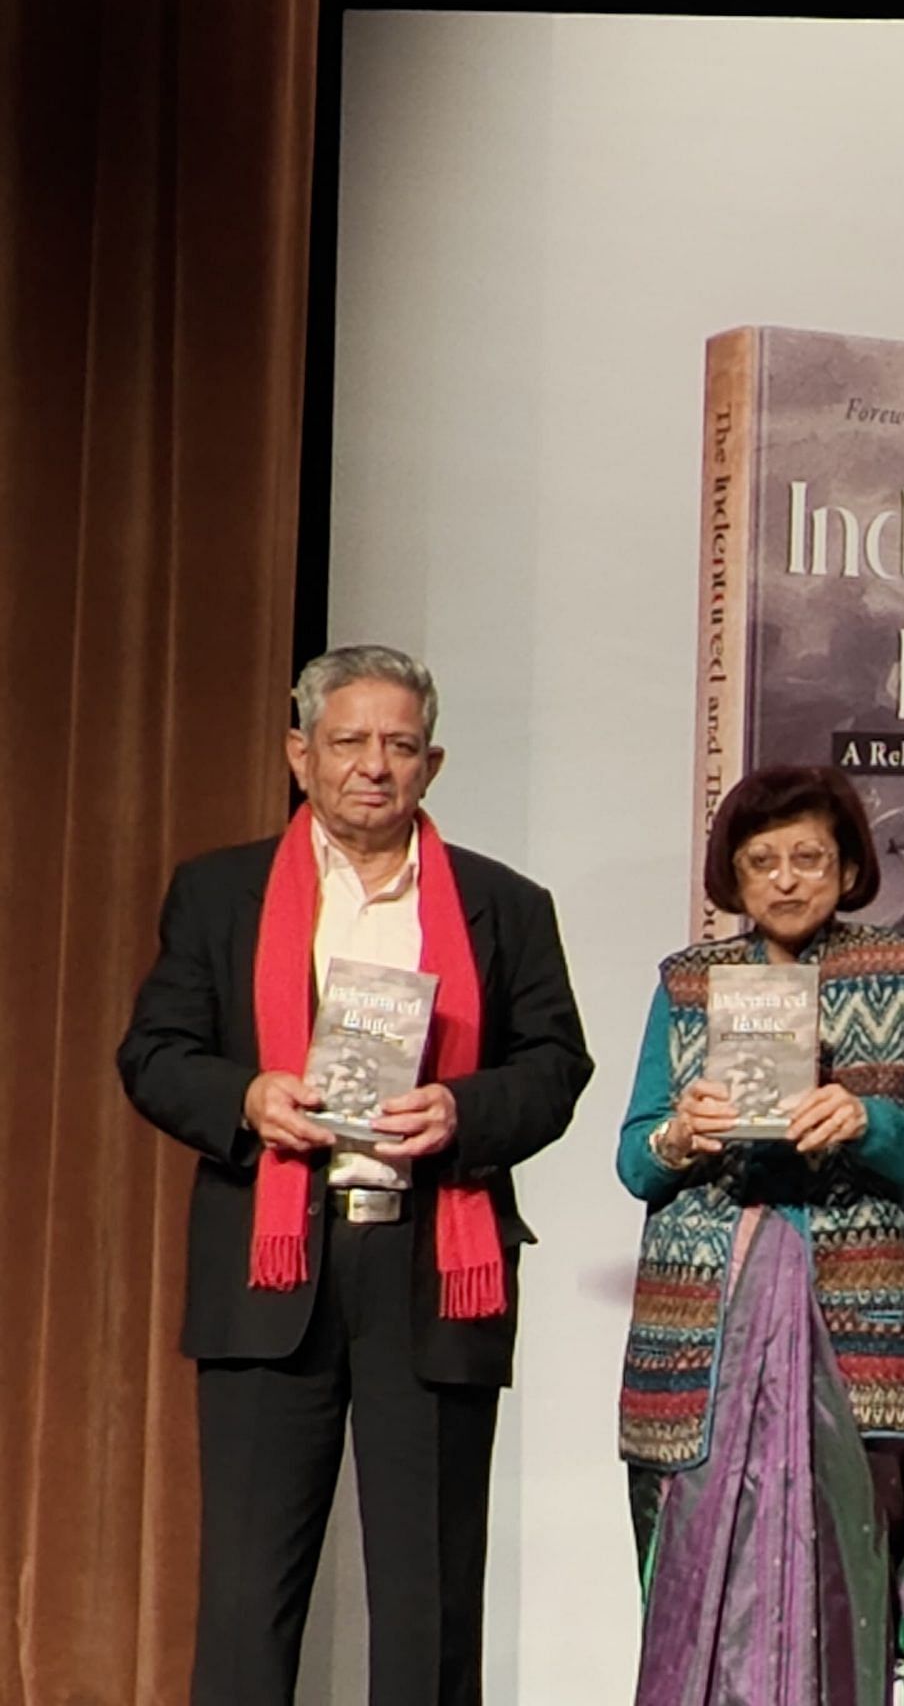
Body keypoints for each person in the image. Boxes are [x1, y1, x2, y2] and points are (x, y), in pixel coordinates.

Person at [117, 644, 594, 1706]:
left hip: (434, 1261)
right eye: (348, 742)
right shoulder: (220, 892)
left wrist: (462, 1110)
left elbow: (557, 1066)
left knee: (428, 1603)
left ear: (432, 762)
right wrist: (247, 1098)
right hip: (270, 1259)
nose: (372, 766)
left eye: (398, 744)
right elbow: (153, 1053)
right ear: (300, 754)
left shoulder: (503, 904)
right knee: (247, 1596)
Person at [616, 764, 904, 1706]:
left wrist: (868, 1121)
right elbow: (633, 1161)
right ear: (732, 873)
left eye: (808, 857)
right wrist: (679, 1135)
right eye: (761, 859)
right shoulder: (689, 985)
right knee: (699, 1574)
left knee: (846, 1573)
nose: (784, 879)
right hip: (708, 1318)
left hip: (858, 1322)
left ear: (848, 865)